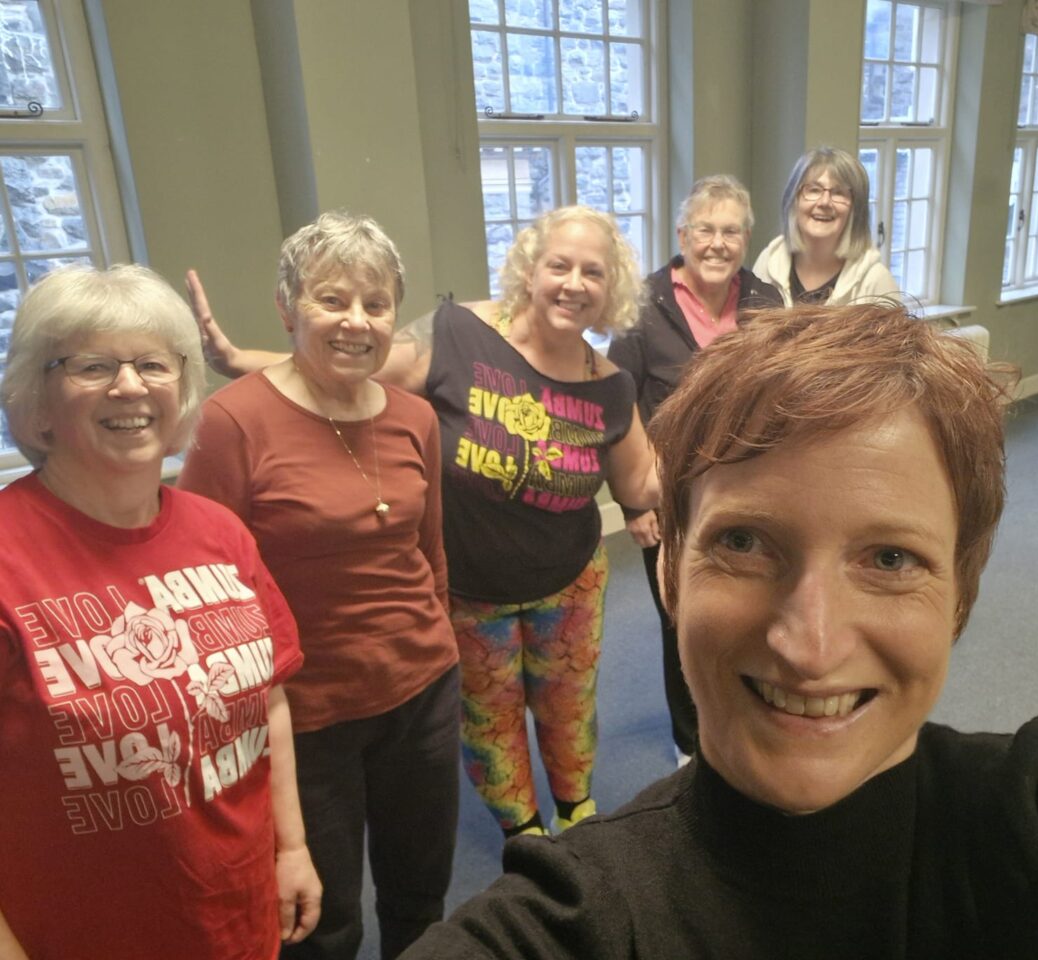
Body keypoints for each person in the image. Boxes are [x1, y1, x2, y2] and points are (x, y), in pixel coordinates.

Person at [399, 302, 1038, 958]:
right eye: (743, 543)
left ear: (962, 593)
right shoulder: (570, 918)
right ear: (668, 572)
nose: (810, 644)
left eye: (891, 560)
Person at [189, 205, 658, 842]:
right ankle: (523, 833)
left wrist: (725, 442)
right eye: (560, 265)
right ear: (530, 269)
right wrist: (241, 358)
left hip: (569, 583)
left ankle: (576, 809)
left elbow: (641, 484)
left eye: (593, 273)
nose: (574, 283)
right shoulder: (457, 334)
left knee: (569, 707)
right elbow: (346, 367)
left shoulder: (610, 385)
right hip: (471, 587)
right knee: (489, 718)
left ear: (611, 290)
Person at [0, 264, 319, 960]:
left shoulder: (220, 532)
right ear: (38, 401)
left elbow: (268, 705)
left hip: (236, 915)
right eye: (92, 366)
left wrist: (290, 845)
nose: (130, 386)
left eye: (152, 363)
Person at [178, 213, 458, 960]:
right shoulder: (233, 422)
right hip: (305, 715)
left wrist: (439, 644)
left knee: (421, 895)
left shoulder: (416, 418)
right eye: (332, 300)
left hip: (422, 691)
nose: (356, 322)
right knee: (322, 922)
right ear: (286, 306)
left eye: (376, 303)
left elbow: (429, 554)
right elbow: (205, 588)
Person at [607, 174, 782, 763]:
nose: (717, 243)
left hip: (748, 491)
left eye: (730, 231)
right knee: (681, 617)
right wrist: (634, 503)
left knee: (746, 607)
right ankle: (691, 741)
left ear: (746, 239)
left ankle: (738, 715)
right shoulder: (643, 307)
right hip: (671, 497)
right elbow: (617, 402)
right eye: (705, 229)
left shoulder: (765, 302)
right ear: (683, 234)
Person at [753, 146, 900, 306]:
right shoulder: (768, 262)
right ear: (794, 200)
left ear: (856, 209)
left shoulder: (876, 282)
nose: (824, 202)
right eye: (814, 190)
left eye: (838, 192)